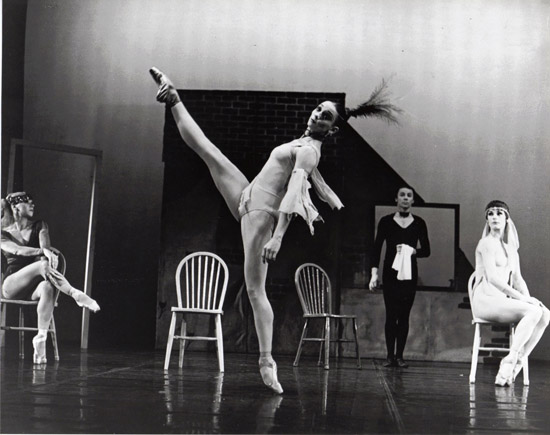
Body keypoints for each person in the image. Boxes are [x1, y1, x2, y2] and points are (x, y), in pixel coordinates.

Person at [150, 67, 401, 393]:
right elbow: (301, 184)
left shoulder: (309, 152)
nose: (317, 115)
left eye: (325, 116)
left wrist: (279, 236)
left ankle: (266, 361)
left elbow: (295, 194)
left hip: (261, 217)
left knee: (255, 291)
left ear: (332, 129)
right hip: (246, 196)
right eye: (318, 109)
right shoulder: (303, 142)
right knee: (210, 152)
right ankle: (173, 99)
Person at [1, 192, 100, 364]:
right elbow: (18, 250)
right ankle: (76, 294)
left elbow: (45, 248)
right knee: (42, 265)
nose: (32, 204)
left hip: (33, 287)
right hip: (12, 285)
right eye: (27, 202)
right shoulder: (2, 232)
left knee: (47, 286)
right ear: (16, 207)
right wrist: (42, 252)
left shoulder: (40, 225)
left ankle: (40, 337)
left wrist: (44, 251)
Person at [471, 200, 549, 386]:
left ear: (507, 218)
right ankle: (509, 360)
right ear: (487, 220)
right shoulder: (485, 244)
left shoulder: (512, 250)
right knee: (533, 312)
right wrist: (522, 299)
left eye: (499, 213)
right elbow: (492, 279)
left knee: (544, 314)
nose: (495, 216)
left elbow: (518, 280)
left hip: (500, 301)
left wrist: (529, 299)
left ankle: (516, 362)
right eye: (490, 213)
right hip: (485, 301)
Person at [369, 186, 430, 368]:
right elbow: (376, 248)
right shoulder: (386, 221)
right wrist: (374, 274)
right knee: (391, 315)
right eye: (402, 195)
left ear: (412, 200)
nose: (405, 198)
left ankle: (400, 356)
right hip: (390, 274)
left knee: (404, 315)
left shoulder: (419, 223)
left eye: (409, 196)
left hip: (409, 275)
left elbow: (427, 251)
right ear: (396, 199)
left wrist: (413, 251)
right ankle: (389, 356)